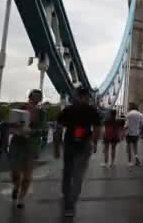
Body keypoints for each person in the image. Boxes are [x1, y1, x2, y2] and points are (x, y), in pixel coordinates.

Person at [54, 87, 101, 217]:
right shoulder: (92, 110)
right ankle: (71, 202)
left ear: (76, 96)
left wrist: (56, 147)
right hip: (84, 144)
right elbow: (97, 129)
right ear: (86, 97)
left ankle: (66, 196)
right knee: (78, 174)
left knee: (68, 172)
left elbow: (58, 129)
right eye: (87, 97)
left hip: (69, 144)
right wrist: (95, 143)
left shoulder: (68, 110)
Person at [8, 89, 44, 209]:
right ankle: (16, 186)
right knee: (15, 172)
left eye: (39, 97)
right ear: (29, 97)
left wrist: (32, 131)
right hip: (17, 143)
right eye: (34, 97)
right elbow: (9, 123)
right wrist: (13, 126)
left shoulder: (41, 113)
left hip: (31, 145)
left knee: (27, 175)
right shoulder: (20, 108)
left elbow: (44, 129)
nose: (36, 99)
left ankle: (21, 198)